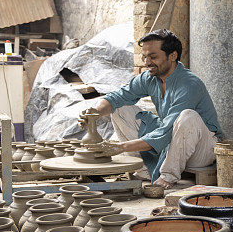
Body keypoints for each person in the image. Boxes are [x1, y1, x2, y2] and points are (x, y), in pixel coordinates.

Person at [82, 29, 223, 188]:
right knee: (120, 109)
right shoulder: (150, 77)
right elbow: (118, 96)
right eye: (145, 57)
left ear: (172, 56)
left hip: (202, 149)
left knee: (187, 116)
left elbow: (166, 132)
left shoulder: (189, 84)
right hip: (172, 139)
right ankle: (142, 169)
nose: (147, 62)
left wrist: (119, 147)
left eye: (153, 57)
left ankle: (167, 177)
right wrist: (95, 112)